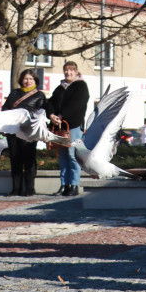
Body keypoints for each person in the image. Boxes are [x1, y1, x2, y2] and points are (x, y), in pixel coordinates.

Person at [2, 68, 49, 196]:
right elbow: (4, 108)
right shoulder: (14, 93)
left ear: (35, 80)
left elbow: (41, 113)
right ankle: (16, 188)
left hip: (28, 132)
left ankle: (29, 188)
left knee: (29, 159)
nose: (27, 81)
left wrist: (26, 116)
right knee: (15, 159)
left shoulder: (39, 95)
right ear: (21, 80)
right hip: (13, 130)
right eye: (25, 78)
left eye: (30, 79)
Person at [49, 61, 89, 196]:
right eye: (66, 70)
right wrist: (52, 115)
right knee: (63, 156)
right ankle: (64, 185)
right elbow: (51, 102)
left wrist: (62, 114)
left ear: (76, 72)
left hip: (73, 125)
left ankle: (74, 184)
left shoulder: (81, 86)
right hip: (60, 127)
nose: (68, 72)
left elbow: (77, 105)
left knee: (72, 155)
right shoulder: (60, 88)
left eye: (71, 70)